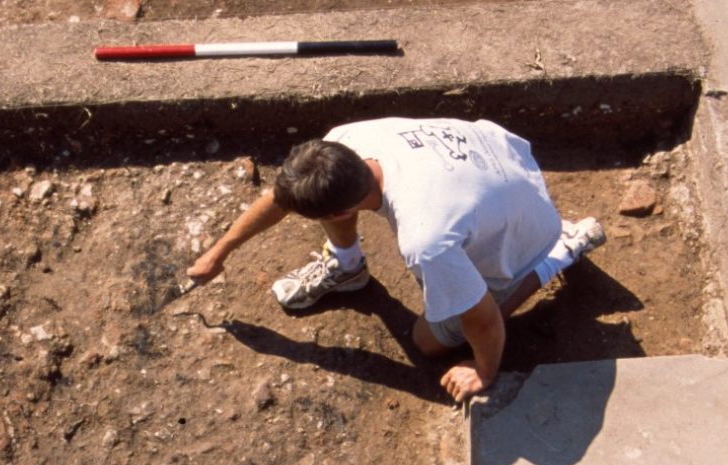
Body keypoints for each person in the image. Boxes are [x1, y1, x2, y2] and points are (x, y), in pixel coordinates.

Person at [186, 117, 605, 402]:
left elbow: (482, 320)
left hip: (526, 225)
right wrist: (218, 252)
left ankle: (557, 252)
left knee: (428, 341)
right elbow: (282, 199)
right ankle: (347, 267)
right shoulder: (344, 144)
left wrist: (484, 371)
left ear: (341, 214)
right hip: (502, 165)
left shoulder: (427, 238)